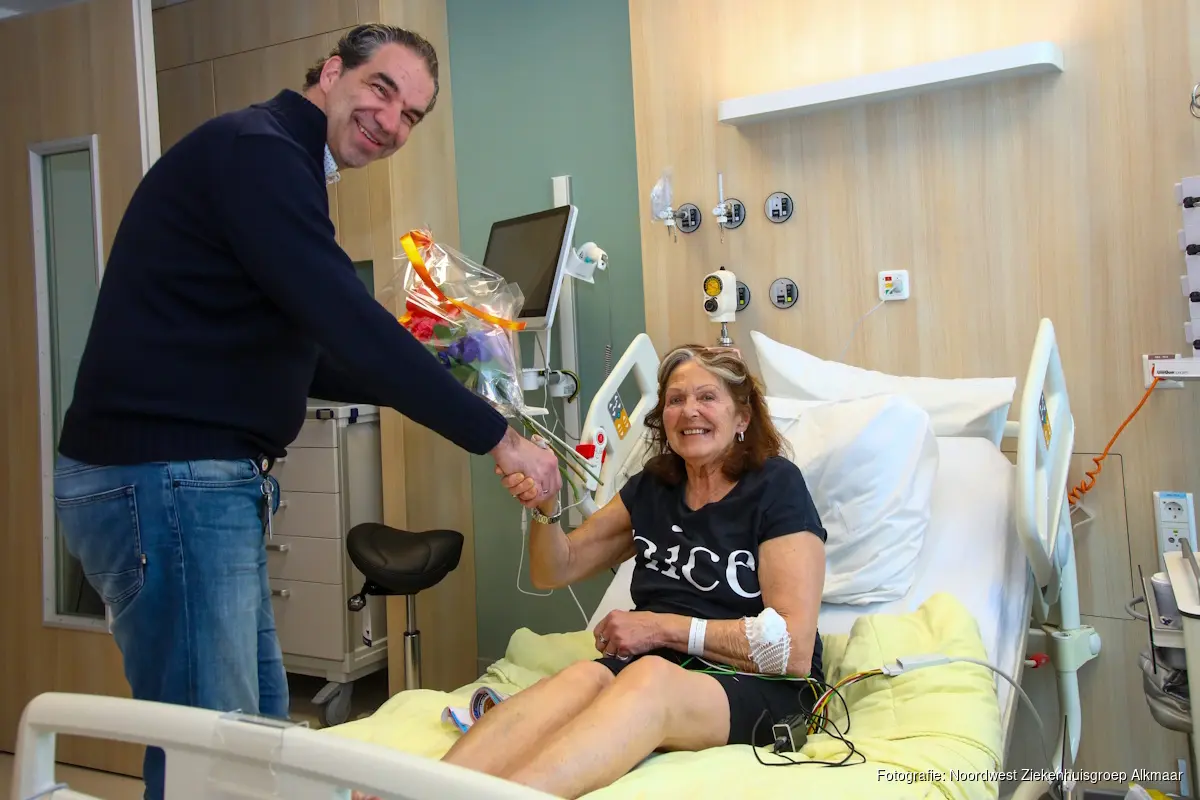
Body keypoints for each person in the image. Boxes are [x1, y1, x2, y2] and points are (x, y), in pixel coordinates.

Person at [51, 24, 557, 800]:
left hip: (187, 481)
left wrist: (465, 385)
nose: (390, 121)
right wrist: (498, 439)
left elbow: (317, 355)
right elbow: (348, 325)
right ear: (330, 72)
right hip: (167, 477)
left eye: (411, 115)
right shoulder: (260, 153)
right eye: (381, 89)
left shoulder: (277, 162)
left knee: (249, 741)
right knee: (211, 759)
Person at [435, 344, 828, 799]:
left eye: (707, 397)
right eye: (675, 400)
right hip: (657, 665)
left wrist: (658, 628)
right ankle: (411, 789)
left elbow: (792, 650)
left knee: (649, 678)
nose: (689, 411)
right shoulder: (654, 488)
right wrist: (546, 506)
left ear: (742, 417)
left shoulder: (776, 485)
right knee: (582, 678)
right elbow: (554, 569)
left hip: (762, 682)